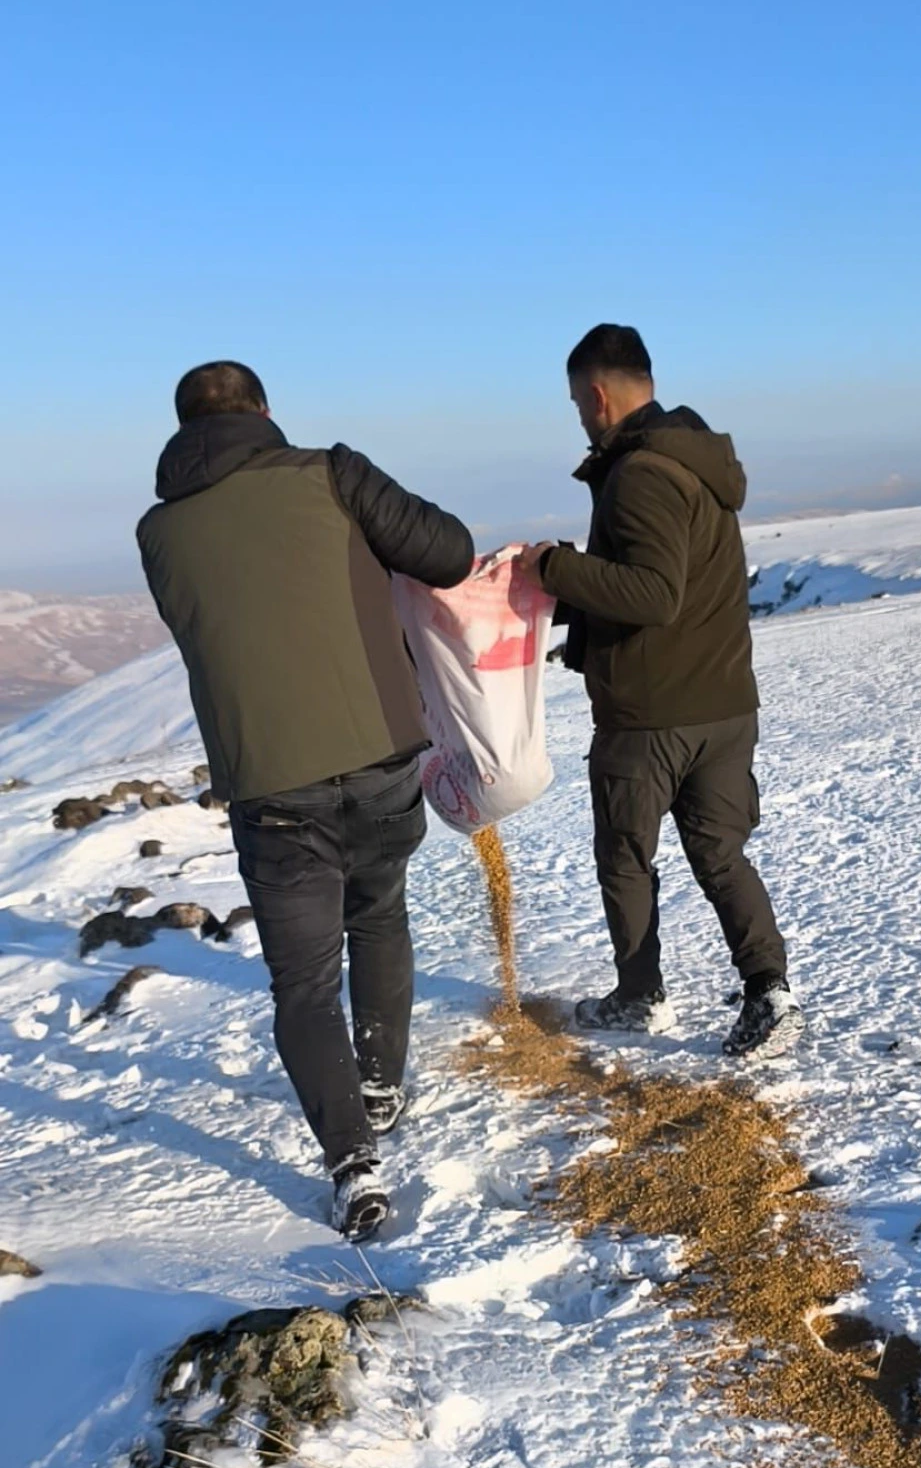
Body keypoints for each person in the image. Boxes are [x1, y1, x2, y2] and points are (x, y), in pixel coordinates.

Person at [137, 360, 474, 1240]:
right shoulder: (334, 472)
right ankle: (381, 1081)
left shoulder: (159, 533)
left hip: (269, 779)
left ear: (180, 432)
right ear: (264, 412)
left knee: (303, 984)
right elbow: (448, 550)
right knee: (379, 911)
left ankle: (354, 1165)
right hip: (380, 751)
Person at [518, 324, 799, 1057]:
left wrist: (555, 568)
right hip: (724, 703)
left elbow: (652, 593)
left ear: (598, 394)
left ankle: (641, 995)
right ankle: (770, 992)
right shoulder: (694, 463)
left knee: (624, 854)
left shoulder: (642, 472)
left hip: (651, 712)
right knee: (720, 853)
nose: (579, 414)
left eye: (579, 400)